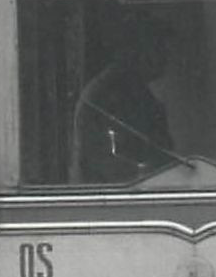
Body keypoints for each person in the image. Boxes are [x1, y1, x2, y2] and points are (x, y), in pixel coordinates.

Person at [73, 27, 176, 183]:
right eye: (160, 51)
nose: (166, 60)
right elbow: (100, 159)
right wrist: (144, 173)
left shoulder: (141, 93)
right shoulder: (102, 96)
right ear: (139, 51)